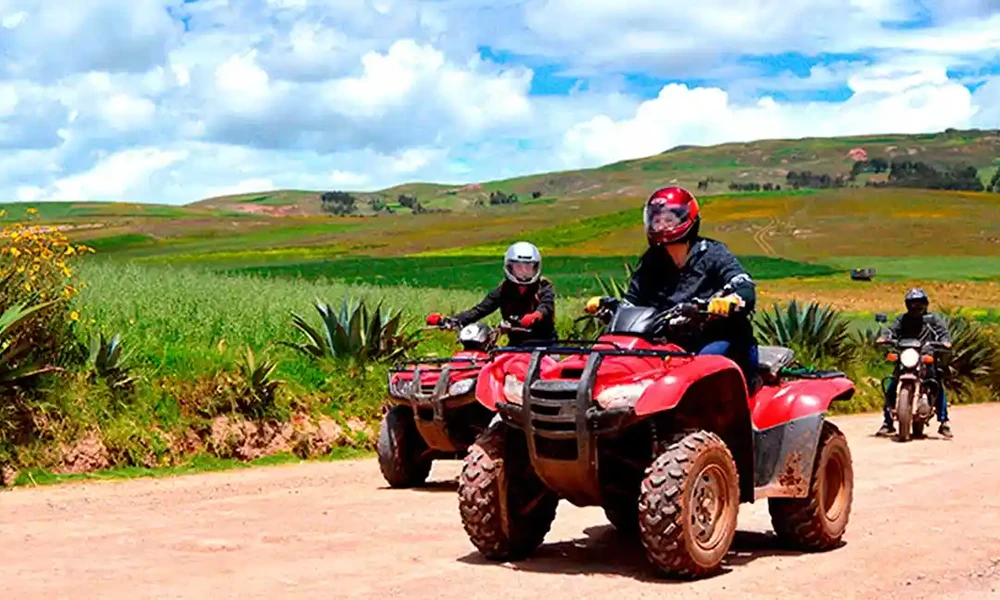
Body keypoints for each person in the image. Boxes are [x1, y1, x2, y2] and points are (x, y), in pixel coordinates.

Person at [618, 186, 760, 389]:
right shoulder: (652, 261)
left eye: (669, 219)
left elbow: (743, 284)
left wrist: (731, 300)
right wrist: (611, 307)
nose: (662, 225)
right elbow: (632, 300)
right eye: (656, 220)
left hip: (718, 338)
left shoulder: (713, 253)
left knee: (702, 370)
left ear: (687, 219)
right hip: (670, 344)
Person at [426, 241, 557, 346]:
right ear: (510, 267)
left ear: (536, 268)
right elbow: (479, 311)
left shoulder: (543, 286)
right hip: (516, 347)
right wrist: (448, 321)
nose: (523, 272)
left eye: (528, 267)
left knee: (551, 369)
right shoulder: (504, 290)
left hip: (546, 346)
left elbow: (546, 306)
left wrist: (535, 315)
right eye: (519, 267)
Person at [875, 288, 953, 439]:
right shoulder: (902, 319)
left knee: (935, 383)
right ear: (907, 305)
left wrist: (945, 341)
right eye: (912, 303)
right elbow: (891, 330)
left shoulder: (932, 320)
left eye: (919, 303)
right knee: (892, 385)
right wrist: (885, 338)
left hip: (925, 357)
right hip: (906, 356)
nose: (915, 307)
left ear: (925, 304)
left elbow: (943, 333)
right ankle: (888, 422)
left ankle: (944, 421)